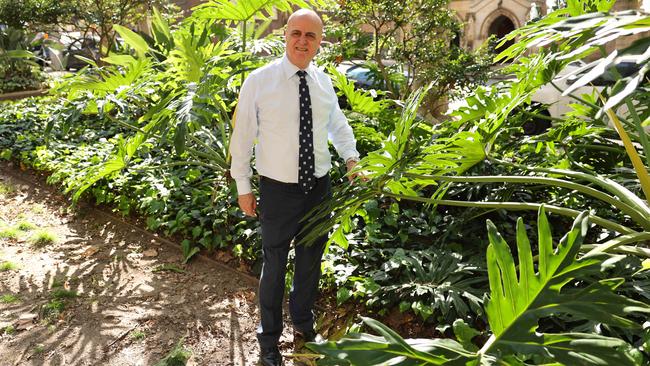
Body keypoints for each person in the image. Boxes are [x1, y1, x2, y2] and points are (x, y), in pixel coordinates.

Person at [229, 8, 360, 366]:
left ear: (320, 43)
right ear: (285, 35)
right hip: (278, 190)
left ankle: (304, 324)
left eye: (311, 36)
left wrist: (352, 159)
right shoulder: (259, 80)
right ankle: (268, 340)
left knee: (310, 262)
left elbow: (338, 124)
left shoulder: (322, 82)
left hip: (319, 189)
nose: (303, 41)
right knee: (274, 264)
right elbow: (242, 138)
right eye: (296, 33)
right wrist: (243, 186)